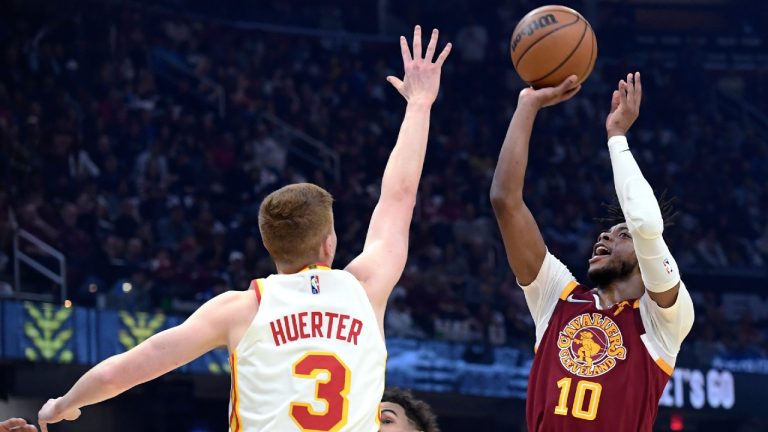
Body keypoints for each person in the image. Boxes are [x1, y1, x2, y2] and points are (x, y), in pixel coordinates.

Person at [37, 26, 452, 432]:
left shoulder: (242, 308)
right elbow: (399, 197)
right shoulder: (365, 289)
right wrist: (419, 104)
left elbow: (124, 371)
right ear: (330, 242)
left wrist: (63, 404)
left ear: (272, 246)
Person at [490, 72, 694, 431]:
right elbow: (505, 201)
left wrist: (617, 137)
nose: (605, 234)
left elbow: (646, 224)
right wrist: (528, 104)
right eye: (607, 230)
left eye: (621, 234)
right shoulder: (558, 298)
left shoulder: (663, 319)